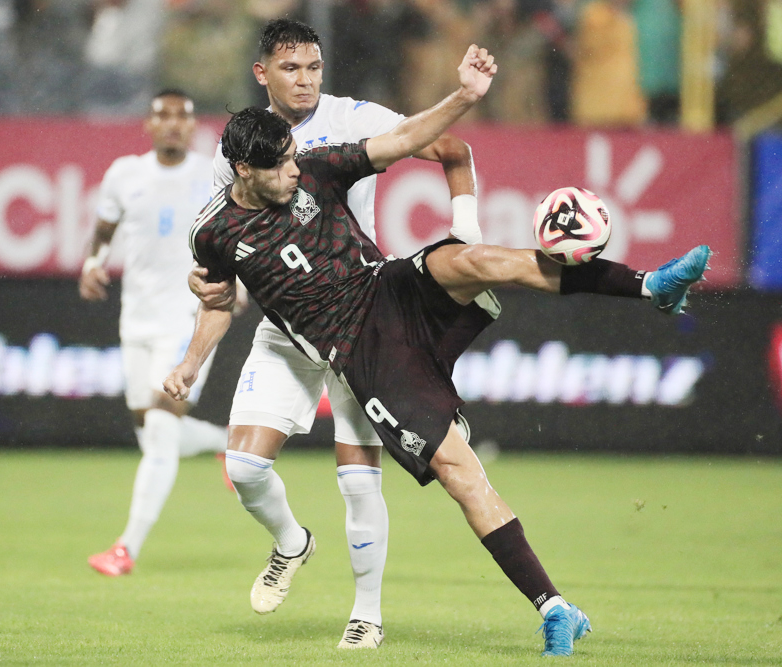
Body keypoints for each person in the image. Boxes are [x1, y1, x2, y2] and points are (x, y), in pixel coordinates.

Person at [165, 45, 711, 656]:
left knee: (476, 260)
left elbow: (404, 141)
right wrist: (190, 362)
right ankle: (555, 607)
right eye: (281, 165)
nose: (295, 170)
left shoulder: (317, 166)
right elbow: (218, 300)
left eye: (295, 156)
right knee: (459, 472)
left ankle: (651, 286)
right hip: (363, 357)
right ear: (243, 170)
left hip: (389, 288)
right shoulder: (212, 234)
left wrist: (466, 96)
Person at [189, 18, 482, 649]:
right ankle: (291, 542)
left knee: (358, 479)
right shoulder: (238, 147)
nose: (306, 80)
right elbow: (231, 247)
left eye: (314, 67)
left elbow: (449, 149)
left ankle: (366, 613)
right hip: (288, 326)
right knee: (244, 468)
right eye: (291, 68)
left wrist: (466, 234)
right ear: (261, 73)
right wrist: (210, 287)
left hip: (361, 318)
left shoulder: (354, 119)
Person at [80, 89, 232, 577]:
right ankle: (226, 441)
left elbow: (239, 232)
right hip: (137, 320)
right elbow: (105, 228)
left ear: (192, 126)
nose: (172, 124)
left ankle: (126, 548)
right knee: (149, 432)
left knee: (162, 427)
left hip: (188, 319)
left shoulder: (213, 176)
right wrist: (92, 262)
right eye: (163, 115)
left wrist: (241, 281)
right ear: (148, 124)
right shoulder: (125, 174)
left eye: (182, 116)